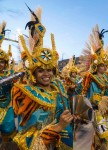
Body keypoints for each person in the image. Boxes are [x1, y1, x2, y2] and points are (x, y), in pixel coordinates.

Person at [11, 5, 73, 150]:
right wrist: (58, 127)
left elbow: (63, 114)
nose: (46, 74)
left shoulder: (58, 87)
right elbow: (28, 135)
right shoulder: (28, 94)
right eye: (40, 71)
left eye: (49, 70)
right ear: (33, 73)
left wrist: (70, 118)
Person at [0, 21, 16, 143]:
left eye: (2, 61)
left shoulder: (9, 75)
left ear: (5, 63)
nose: (0, 64)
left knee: (7, 128)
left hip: (7, 106)